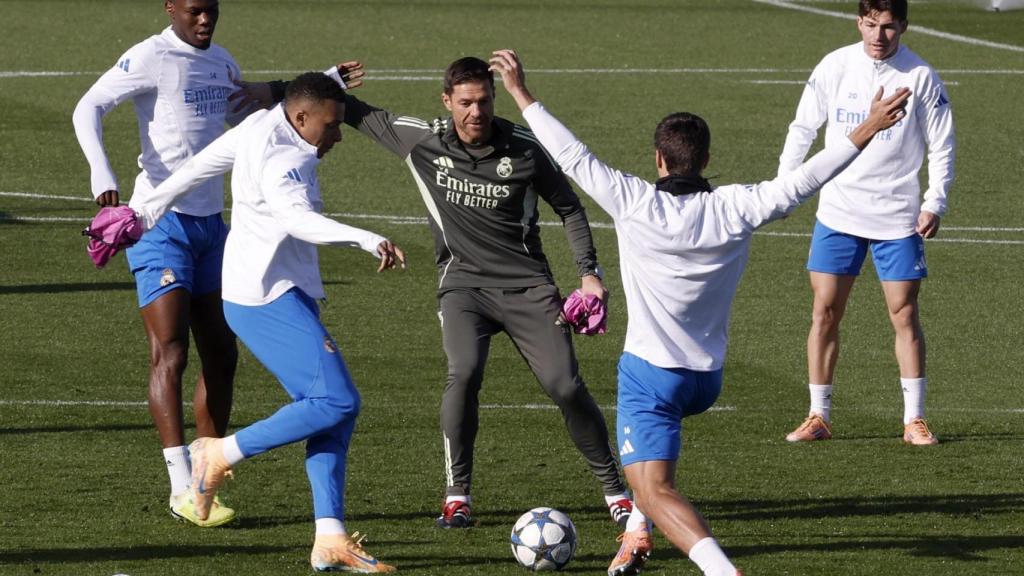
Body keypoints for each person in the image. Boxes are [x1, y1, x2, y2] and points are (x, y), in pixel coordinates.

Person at [488, 48, 910, 576]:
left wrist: (521, 93)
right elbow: (806, 179)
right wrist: (866, 128)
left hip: (650, 378)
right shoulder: (736, 206)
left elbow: (573, 157)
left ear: (659, 160)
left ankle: (720, 570)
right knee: (648, 482)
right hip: (706, 380)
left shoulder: (635, 201)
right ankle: (637, 535)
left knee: (653, 487)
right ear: (706, 162)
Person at [71, 0, 362, 526]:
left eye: (213, 11)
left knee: (222, 355)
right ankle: (180, 483)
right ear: (171, 8)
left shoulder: (222, 61)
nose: (205, 20)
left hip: (213, 226)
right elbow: (86, 107)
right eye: (195, 11)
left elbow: (259, 119)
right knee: (171, 351)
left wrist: (323, 82)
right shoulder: (150, 57)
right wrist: (102, 177)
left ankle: (206, 481)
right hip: (162, 225)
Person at [340, 57, 633, 528]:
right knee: (464, 373)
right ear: (447, 101)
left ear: (494, 98)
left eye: (484, 101)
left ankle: (616, 492)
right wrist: (303, 85)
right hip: (464, 288)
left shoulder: (524, 148)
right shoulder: (421, 137)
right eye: (466, 103)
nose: (476, 112)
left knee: (565, 385)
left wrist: (589, 273)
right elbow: (348, 110)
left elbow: (571, 209)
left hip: (528, 286)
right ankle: (457, 496)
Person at [130, 71, 403, 572]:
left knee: (329, 411)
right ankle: (218, 453)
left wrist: (144, 208)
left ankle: (330, 538)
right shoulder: (287, 158)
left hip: (268, 290)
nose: (338, 136)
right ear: (301, 118)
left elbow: (199, 167)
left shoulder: (261, 124)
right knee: (338, 399)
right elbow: (297, 219)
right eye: (332, 124)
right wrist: (366, 238)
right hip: (267, 298)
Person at [777, 0, 955, 446]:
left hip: (897, 215)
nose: (879, 36)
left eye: (889, 27)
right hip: (838, 211)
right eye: (872, 25)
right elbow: (803, 127)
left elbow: (942, 145)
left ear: (904, 27)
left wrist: (934, 201)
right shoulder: (834, 66)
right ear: (859, 22)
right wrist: (786, 184)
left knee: (905, 313)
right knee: (824, 312)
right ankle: (818, 415)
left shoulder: (920, 77)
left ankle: (913, 419)